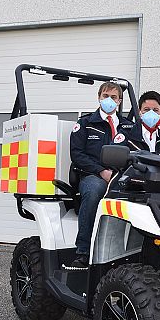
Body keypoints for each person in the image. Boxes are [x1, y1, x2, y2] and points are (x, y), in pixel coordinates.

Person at [69, 82, 134, 267]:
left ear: (120, 101)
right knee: (94, 192)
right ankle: (83, 251)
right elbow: (77, 154)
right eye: (106, 96)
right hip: (92, 175)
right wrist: (101, 171)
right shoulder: (85, 123)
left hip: (121, 177)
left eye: (114, 97)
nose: (109, 100)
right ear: (99, 97)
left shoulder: (129, 127)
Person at [114, 90, 160, 155]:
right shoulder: (126, 134)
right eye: (146, 109)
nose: (151, 113)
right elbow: (113, 156)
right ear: (140, 112)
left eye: (155, 110)